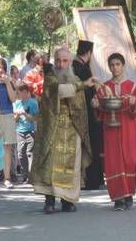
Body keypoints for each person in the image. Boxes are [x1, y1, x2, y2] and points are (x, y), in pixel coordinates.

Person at [31, 48, 96, 214]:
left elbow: (81, 107)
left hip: (73, 129)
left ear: (71, 62)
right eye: (58, 60)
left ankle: (68, 200)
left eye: (65, 61)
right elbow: (60, 90)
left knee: (71, 166)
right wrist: (83, 85)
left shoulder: (75, 78)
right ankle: (50, 200)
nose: (61, 64)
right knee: (51, 164)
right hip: (53, 129)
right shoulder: (51, 78)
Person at [93, 53, 136, 211]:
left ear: (123, 66)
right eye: (112, 65)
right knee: (113, 163)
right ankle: (118, 198)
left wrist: (134, 103)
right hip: (111, 130)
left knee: (129, 160)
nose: (115, 68)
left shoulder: (132, 87)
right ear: (109, 67)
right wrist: (96, 105)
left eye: (117, 64)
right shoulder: (103, 87)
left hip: (128, 129)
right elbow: (99, 114)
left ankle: (128, 194)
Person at [72, 39, 103, 190]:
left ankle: (91, 179)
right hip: (87, 112)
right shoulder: (83, 68)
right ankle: (92, 180)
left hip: (79, 110)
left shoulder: (74, 66)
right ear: (89, 53)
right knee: (91, 144)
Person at [0, 57, 18, 189]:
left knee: (7, 147)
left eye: (2, 67)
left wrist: (8, 83)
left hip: (7, 115)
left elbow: (13, 99)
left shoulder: (11, 82)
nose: (0, 70)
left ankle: (7, 178)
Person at [14, 82, 39, 184]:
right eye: (18, 92)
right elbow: (15, 120)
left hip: (30, 131)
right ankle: (25, 175)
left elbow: (36, 117)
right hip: (20, 131)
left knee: (30, 153)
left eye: (21, 92)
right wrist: (17, 116)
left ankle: (31, 176)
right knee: (21, 154)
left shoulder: (33, 103)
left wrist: (25, 114)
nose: (20, 94)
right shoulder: (17, 103)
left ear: (26, 92)